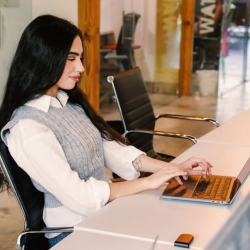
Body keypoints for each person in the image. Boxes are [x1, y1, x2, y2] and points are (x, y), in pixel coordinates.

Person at [0, 15, 213, 247]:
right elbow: (81, 199)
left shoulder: (68, 104)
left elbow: (114, 152)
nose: (80, 67)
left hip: (104, 216)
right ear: (44, 58)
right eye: (71, 58)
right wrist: (149, 182)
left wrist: (172, 169)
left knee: (183, 226)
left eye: (80, 58)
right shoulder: (28, 128)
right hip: (73, 233)